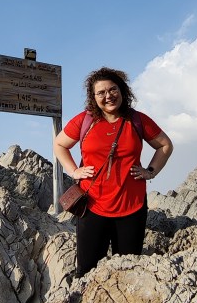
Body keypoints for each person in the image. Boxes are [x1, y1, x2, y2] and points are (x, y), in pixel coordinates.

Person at [53, 66, 173, 277]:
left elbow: (165, 145)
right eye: (101, 92)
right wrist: (73, 171)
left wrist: (150, 171)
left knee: (128, 270)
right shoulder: (85, 120)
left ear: (123, 91)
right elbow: (59, 145)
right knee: (87, 270)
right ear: (93, 96)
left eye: (113, 90)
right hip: (92, 206)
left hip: (132, 207)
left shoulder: (138, 120)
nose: (108, 96)